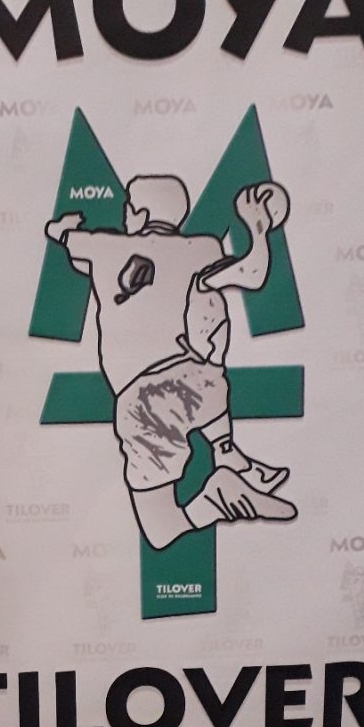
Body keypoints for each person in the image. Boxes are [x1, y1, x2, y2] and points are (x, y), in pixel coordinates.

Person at [44, 174, 296, 550]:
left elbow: (61, 235)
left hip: (144, 402)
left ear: (141, 213)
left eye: (129, 208)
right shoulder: (203, 249)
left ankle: (217, 498)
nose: (125, 215)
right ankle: (227, 453)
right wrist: (257, 226)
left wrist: (64, 228)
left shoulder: (102, 247)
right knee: (207, 360)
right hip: (201, 382)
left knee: (160, 531)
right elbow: (253, 274)